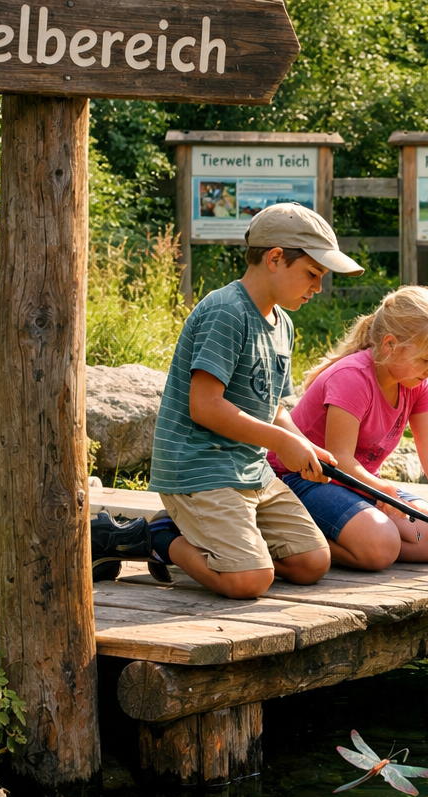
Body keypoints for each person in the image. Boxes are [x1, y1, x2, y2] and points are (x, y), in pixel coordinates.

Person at [144, 203, 362, 600]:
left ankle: (210, 536)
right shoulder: (226, 311)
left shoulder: (285, 324)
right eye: (312, 274)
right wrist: (281, 443)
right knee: (250, 580)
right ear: (275, 258)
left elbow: (275, 405)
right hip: (199, 468)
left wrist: (306, 445)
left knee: (312, 562)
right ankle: (159, 536)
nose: (317, 287)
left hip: (251, 470)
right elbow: (204, 406)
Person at [270, 286, 428, 570]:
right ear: (390, 344)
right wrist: (380, 490)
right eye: (427, 360)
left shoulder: (417, 382)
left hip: (359, 484)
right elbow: (341, 460)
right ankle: (299, 541)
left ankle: (364, 535)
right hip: (306, 479)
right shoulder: (352, 379)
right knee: (381, 546)